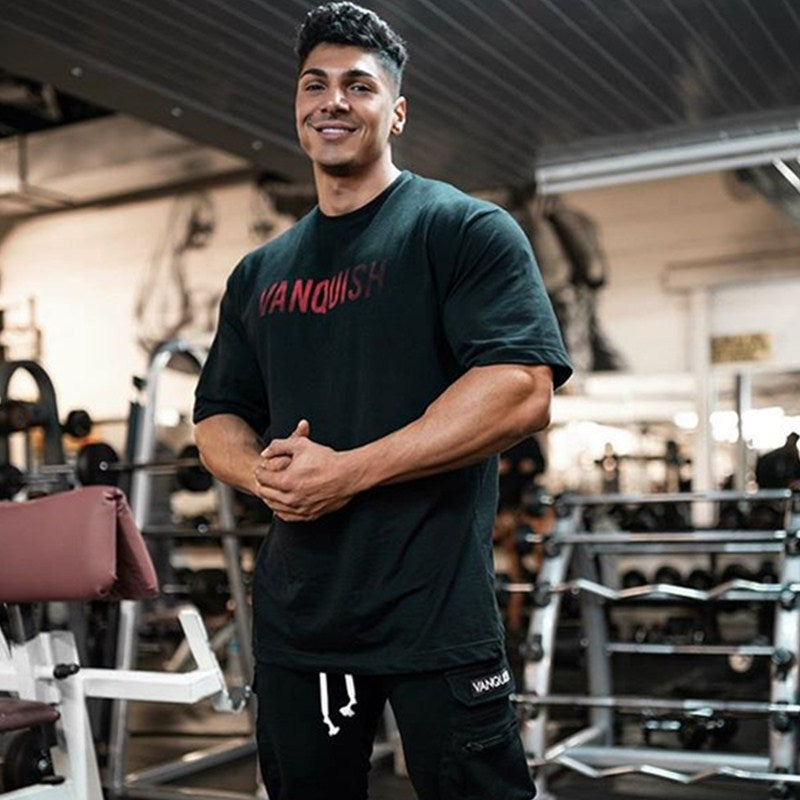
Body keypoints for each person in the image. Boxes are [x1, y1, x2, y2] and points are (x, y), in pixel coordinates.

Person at [193, 3, 572, 798]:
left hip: (434, 614)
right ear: (298, 106)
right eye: (315, 84)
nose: (332, 101)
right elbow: (218, 416)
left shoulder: (462, 229)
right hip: (301, 623)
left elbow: (521, 389)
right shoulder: (258, 273)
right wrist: (266, 476)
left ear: (396, 113)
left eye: (358, 86)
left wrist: (349, 472)